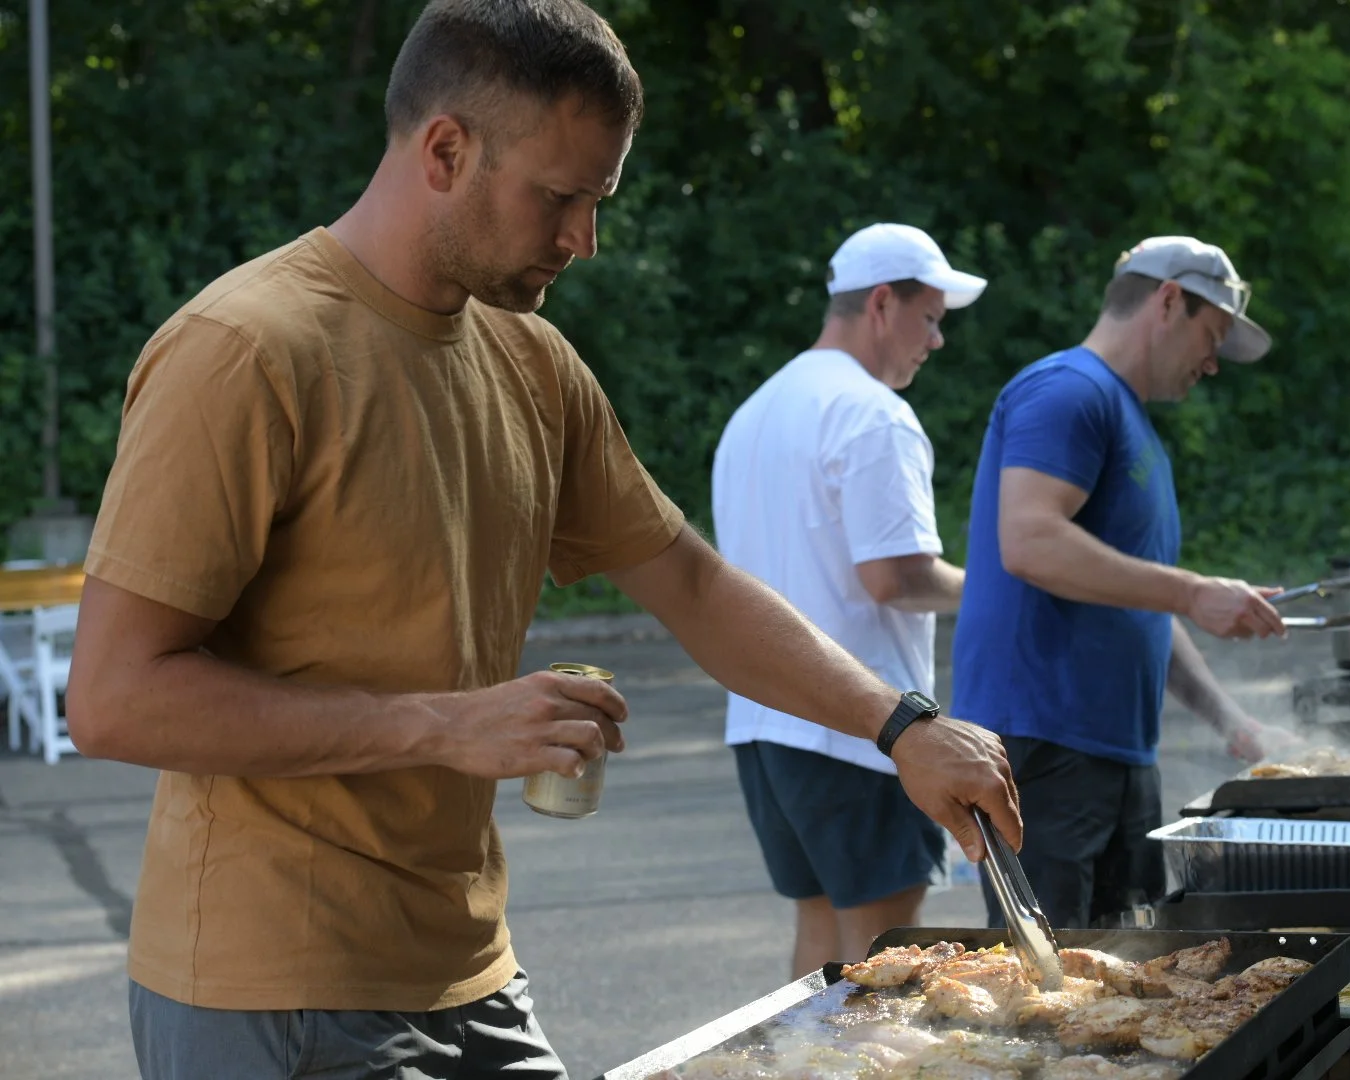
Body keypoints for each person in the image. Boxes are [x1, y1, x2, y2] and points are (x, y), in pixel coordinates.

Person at [62, 4, 1021, 1078]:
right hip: (272, 993)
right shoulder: (245, 350)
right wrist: (445, 723)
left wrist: (902, 727)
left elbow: (690, 584)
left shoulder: (532, 361)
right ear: (444, 151)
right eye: (560, 197)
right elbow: (113, 697)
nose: (583, 240)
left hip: (469, 972)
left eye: (597, 201)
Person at [950, 235, 1300, 933]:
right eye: (1212, 336)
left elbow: (1142, 604)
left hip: (1116, 754)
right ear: (1168, 301)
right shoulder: (1069, 390)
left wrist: (1230, 721)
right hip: (1045, 744)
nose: (1212, 363)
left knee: (1125, 968)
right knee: (1048, 977)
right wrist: (1193, 591)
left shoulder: (1129, 421)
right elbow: (1030, 541)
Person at [711, 223, 984, 977]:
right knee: (884, 950)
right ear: (882, 304)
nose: (937, 341)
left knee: (819, 936)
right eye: (930, 318)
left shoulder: (755, 413)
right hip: (862, 726)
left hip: (765, 725)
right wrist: (1000, 591)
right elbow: (896, 577)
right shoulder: (873, 413)